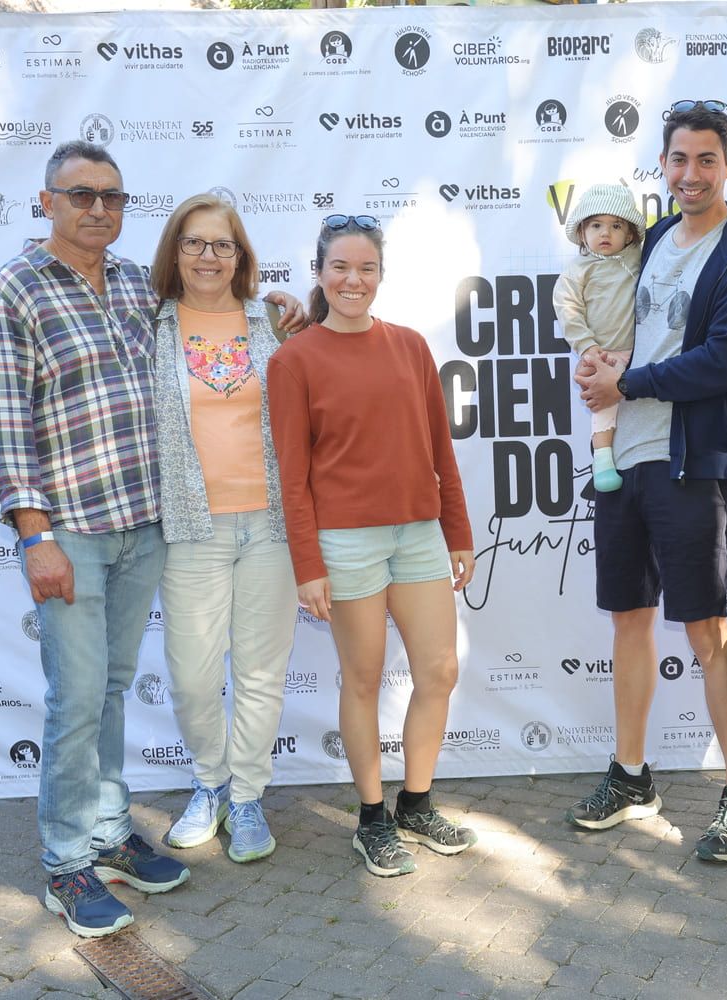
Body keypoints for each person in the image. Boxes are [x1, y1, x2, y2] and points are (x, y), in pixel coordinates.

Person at [0, 141, 187, 937]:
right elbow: (4, 423)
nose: (99, 209)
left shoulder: (135, 282)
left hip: (143, 522)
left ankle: (109, 832)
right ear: (47, 202)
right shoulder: (15, 289)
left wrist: (277, 309)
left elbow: (209, 333)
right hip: (70, 531)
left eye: (112, 197)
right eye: (81, 195)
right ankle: (67, 864)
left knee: (110, 690)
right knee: (76, 699)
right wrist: (36, 537)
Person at [568, 101, 727, 861]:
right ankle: (631, 776)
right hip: (623, 460)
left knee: (704, 629)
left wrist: (626, 382)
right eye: (678, 160)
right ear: (662, 166)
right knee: (629, 619)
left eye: (706, 160)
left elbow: (724, 362)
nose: (690, 174)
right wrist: (601, 364)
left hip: (687, 463)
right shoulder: (656, 235)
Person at [267, 214, 477, 877]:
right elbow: (292, 477)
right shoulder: (293, 360)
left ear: (381, 274)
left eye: (366, 268)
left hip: (417, 534)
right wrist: (308, 565)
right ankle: (371, 818)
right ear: (319, 273)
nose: (353, 280)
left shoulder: (410, 347)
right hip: (345, 542)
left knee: (439, 670)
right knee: (362, 679)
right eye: (340, 267)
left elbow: (440, 450)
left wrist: (457, 533)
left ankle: (416, 804)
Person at [149, 194, 295, 864]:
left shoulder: (274, 321)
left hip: (271, 525)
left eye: (222, 244)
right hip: (191, 527)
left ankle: (247, 796)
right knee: (193, 677)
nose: (208, 256)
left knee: (261, 673)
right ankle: (209, 783)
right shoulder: (147, 323)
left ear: (241, 256)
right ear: (174, 252)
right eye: (194, 242)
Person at [553, 183, 646, 492]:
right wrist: (588, 348)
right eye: (596, 226)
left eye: (616, 226)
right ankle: (603, 460)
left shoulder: (637, 260)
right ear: (582, 233)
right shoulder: (577, 271)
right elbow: (568, 310)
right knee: (602, 406)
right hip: (602, 354)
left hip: (642, 352)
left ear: (630, 235)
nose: (605, 233)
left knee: (643, 407)